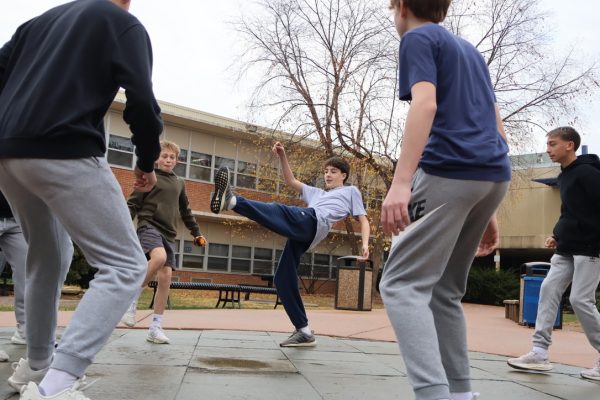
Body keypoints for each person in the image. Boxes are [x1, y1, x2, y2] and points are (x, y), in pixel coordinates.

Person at [0, 0, 163, 398]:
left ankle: (36, 367)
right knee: (125, 265)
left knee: (47, 257)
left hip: (8, 154)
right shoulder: (122, 24)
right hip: (63, 148)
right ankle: (56, 385)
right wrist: (145, 159)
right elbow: (141, 98)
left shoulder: (38, 23)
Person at [379, 1, 511, 400]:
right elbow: (495, 121)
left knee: (402, 283)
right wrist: (485, 205)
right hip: (492, 173)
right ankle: (460, 393)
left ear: (401, 7)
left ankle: (434, 395)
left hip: (450, 170)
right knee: (445, 291)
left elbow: (425, 104)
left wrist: (401, 183)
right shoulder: (470, 50)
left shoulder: (417, 38)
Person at [211, 142, 370, 347]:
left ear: (344, 176)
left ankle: (233, 202)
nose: (328, 175)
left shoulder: (351, 192)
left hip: (313, 221)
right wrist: (282, 156)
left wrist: (365, 244)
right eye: (325, 172)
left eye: (333, 172)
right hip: (305, 234)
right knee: (283, 278)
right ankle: (303, 330)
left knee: (281, 211)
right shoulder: (317, 194)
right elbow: (291, 180)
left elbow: (364, 220)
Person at [507, 127, 600, 381]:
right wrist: (557, 235)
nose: (548, 149)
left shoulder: (587, 173)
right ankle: (539, 352)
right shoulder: (566, 175)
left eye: (552, 144)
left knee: (581, 301)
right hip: (566, 247)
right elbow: (568, 211)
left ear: (569, 145)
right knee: (548, 290)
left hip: (589, 248)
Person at [121, 140, 206, 344]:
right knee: (158, 258)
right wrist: (121, 225)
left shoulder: (179, 183)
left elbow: (185, 211)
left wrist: (196, 233)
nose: (168, 159)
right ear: (156, 158)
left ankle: (155, 327)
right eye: (164, 156)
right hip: (149, 224)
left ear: (176, 161)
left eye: (172, 157)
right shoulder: (149, 177)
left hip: (169, 233)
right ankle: (130, 300)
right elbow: (132, 203)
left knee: (166, 276)